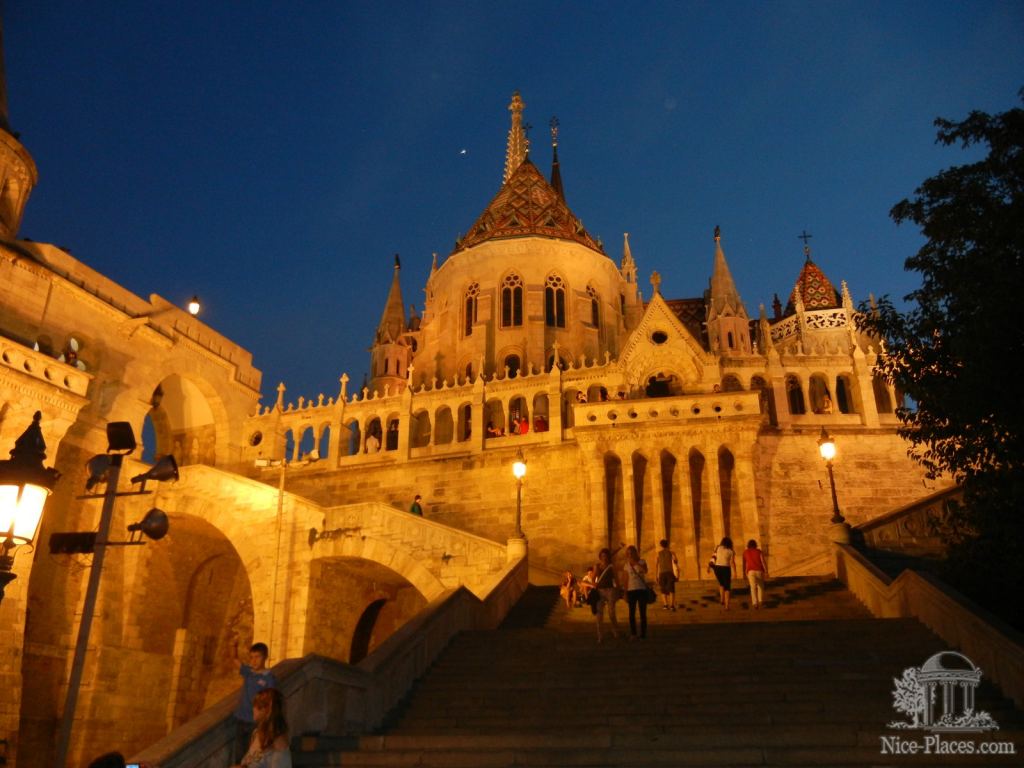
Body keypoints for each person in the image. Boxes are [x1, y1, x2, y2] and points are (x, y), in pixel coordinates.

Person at [233, 642, 278, 761]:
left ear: (265, 657)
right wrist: (234, 646)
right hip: (241, 719)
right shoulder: (249, 672)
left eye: (257, 657)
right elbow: (236, 661)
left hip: (256, 723)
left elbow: (270, 702)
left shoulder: (269, 679)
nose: (254, 661)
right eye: (251, 657)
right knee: (238, 756)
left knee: (252, 757)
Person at [232, 687, 291, 768]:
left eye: (254, 705)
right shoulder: (257, 733)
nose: (252, 709)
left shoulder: (279, 745)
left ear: (263, 710)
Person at [593, 547, 621, 643]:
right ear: (600, 557)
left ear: (608, 557)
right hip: (600, 591)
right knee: (599, 615)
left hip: (610, 590)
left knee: (611, 613)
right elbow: (593, 578)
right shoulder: (597, 566)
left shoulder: (611, 566)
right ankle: (600, 635)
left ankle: (615, 630)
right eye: (602, 556)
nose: (604, 558)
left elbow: (616, 579)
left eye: (606, 556)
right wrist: (594, 586)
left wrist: (619, 589)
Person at [623, 545, 649, 639]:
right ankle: (633, 633)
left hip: (641, 589)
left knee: (643, 613)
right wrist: (625, 593)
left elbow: (645, 570)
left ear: (635, 553)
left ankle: (643, 634)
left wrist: (635, 563)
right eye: (628, 553)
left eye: (631, 553)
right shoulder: (626, 565)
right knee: (631, 613)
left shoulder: (642, 561)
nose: (630, 555)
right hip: (631, 590)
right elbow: (625, 580)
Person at [711, 537, 736, 610]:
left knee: (721, 583)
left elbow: (713, 556)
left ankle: (722, 599)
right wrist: (735, 572)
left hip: (717, 568)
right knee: (727, 587)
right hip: (726, 568)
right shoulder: (731, 551)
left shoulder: (717, 547)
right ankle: (727, 606)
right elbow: (732, 562)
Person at [743, 539, 769, 609]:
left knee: (753, 587)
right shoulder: (759, 551)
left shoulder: (745, 552)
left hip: (750, 571)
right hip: (759, 570)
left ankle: (755, 603)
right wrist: (766, 571)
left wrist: (744, 573)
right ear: (755, 545)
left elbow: (744, 564)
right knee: (760, 586)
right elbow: (763, 562)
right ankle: (760, 600)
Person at [655, 539, 678, 611]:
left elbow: (656, 565)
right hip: (670, 573)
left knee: (663, 590)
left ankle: (665, 605)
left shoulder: (658, 554)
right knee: (672, 590)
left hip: (662, 573)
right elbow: (676, 562)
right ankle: (672, 605)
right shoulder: (671, 553)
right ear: (667, 545)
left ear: (661, 545)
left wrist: (656, 575)